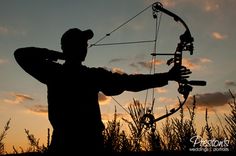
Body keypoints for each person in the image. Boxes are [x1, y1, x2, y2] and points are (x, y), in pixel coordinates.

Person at [14, 28, 191, 154]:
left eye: (85, 44)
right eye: (81, 44)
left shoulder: (54, 73)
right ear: (71, 47)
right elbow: (20, 53)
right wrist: (167, 77)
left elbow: (129, 82)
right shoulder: (70, 74)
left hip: (66, 144)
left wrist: (166, 77)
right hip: (85, 145)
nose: (85, 47)